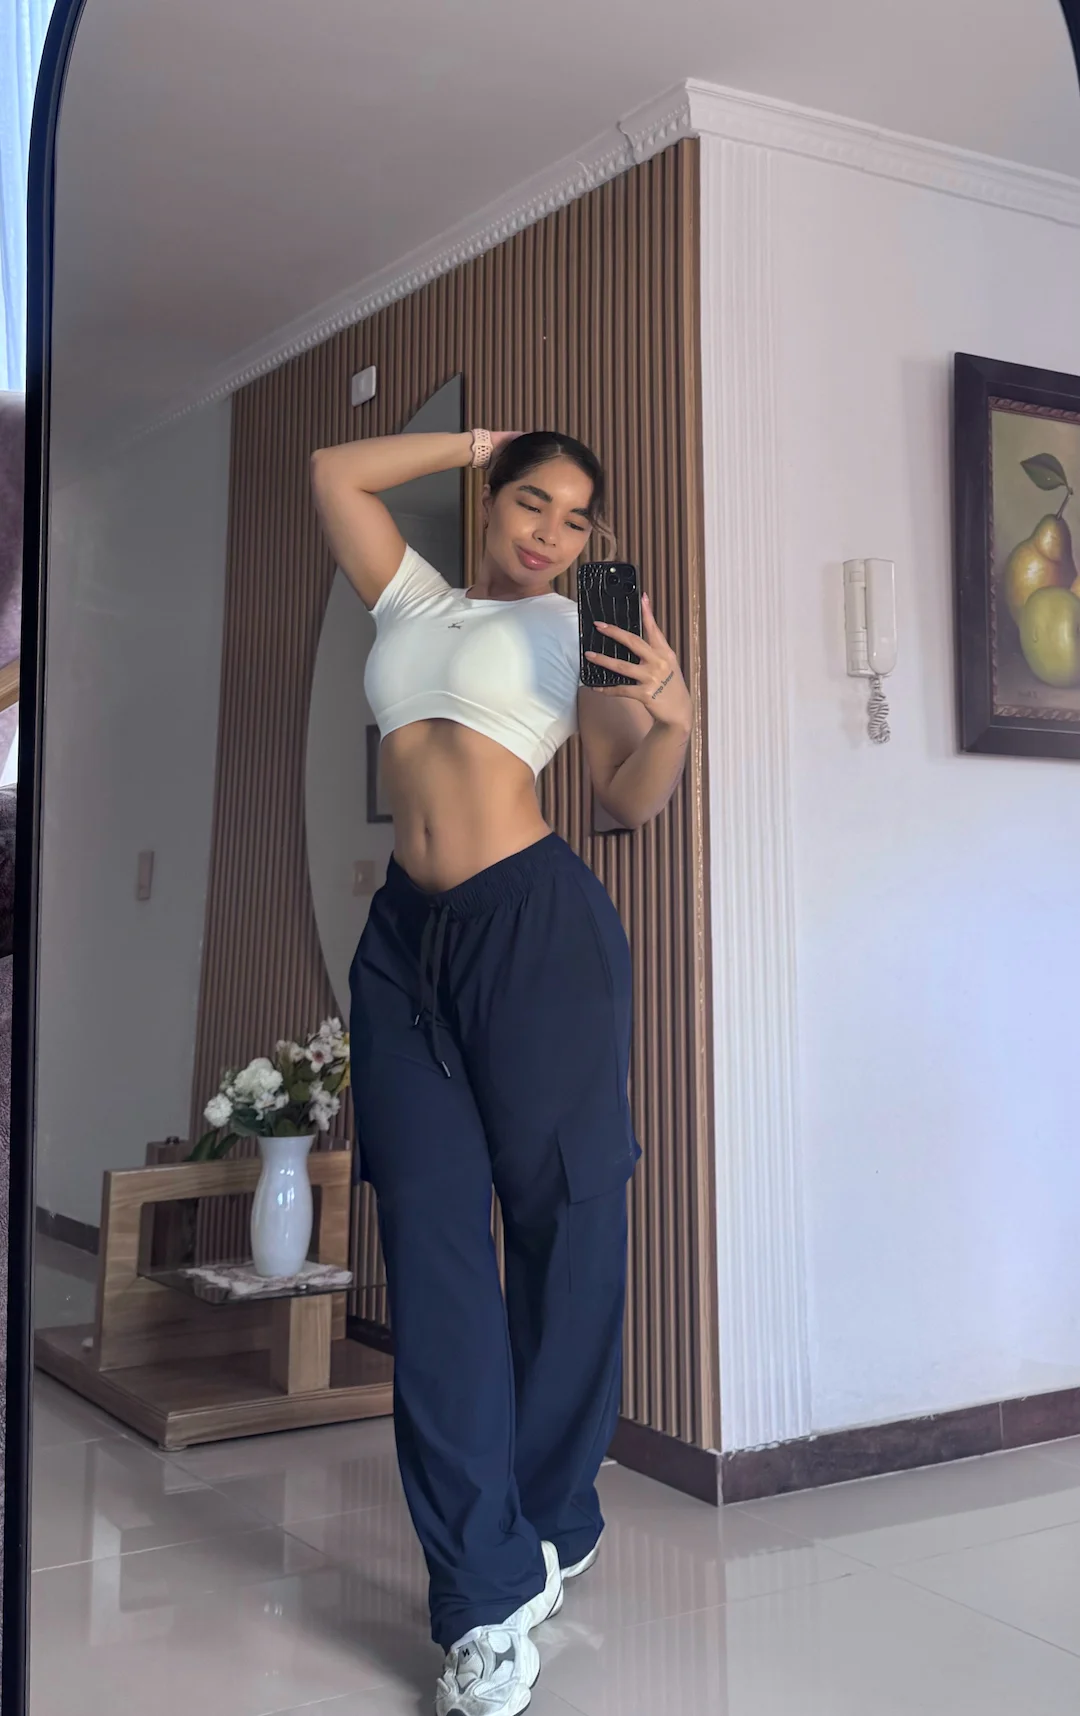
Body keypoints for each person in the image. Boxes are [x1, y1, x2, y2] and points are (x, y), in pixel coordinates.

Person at [310, 425, 691, 1716]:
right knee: (431, 1252)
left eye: (578, 519)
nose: (551, 533)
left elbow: (628, 795)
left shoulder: (575, 629)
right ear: (489, 495)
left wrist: (676, 719)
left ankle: (551, 1509)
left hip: (535, 929)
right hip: (402, 946)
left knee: (565, 1227)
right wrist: (473, 437)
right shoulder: (411, 598)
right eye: (532, 500)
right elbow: (333, 472)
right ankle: (482, 1595)